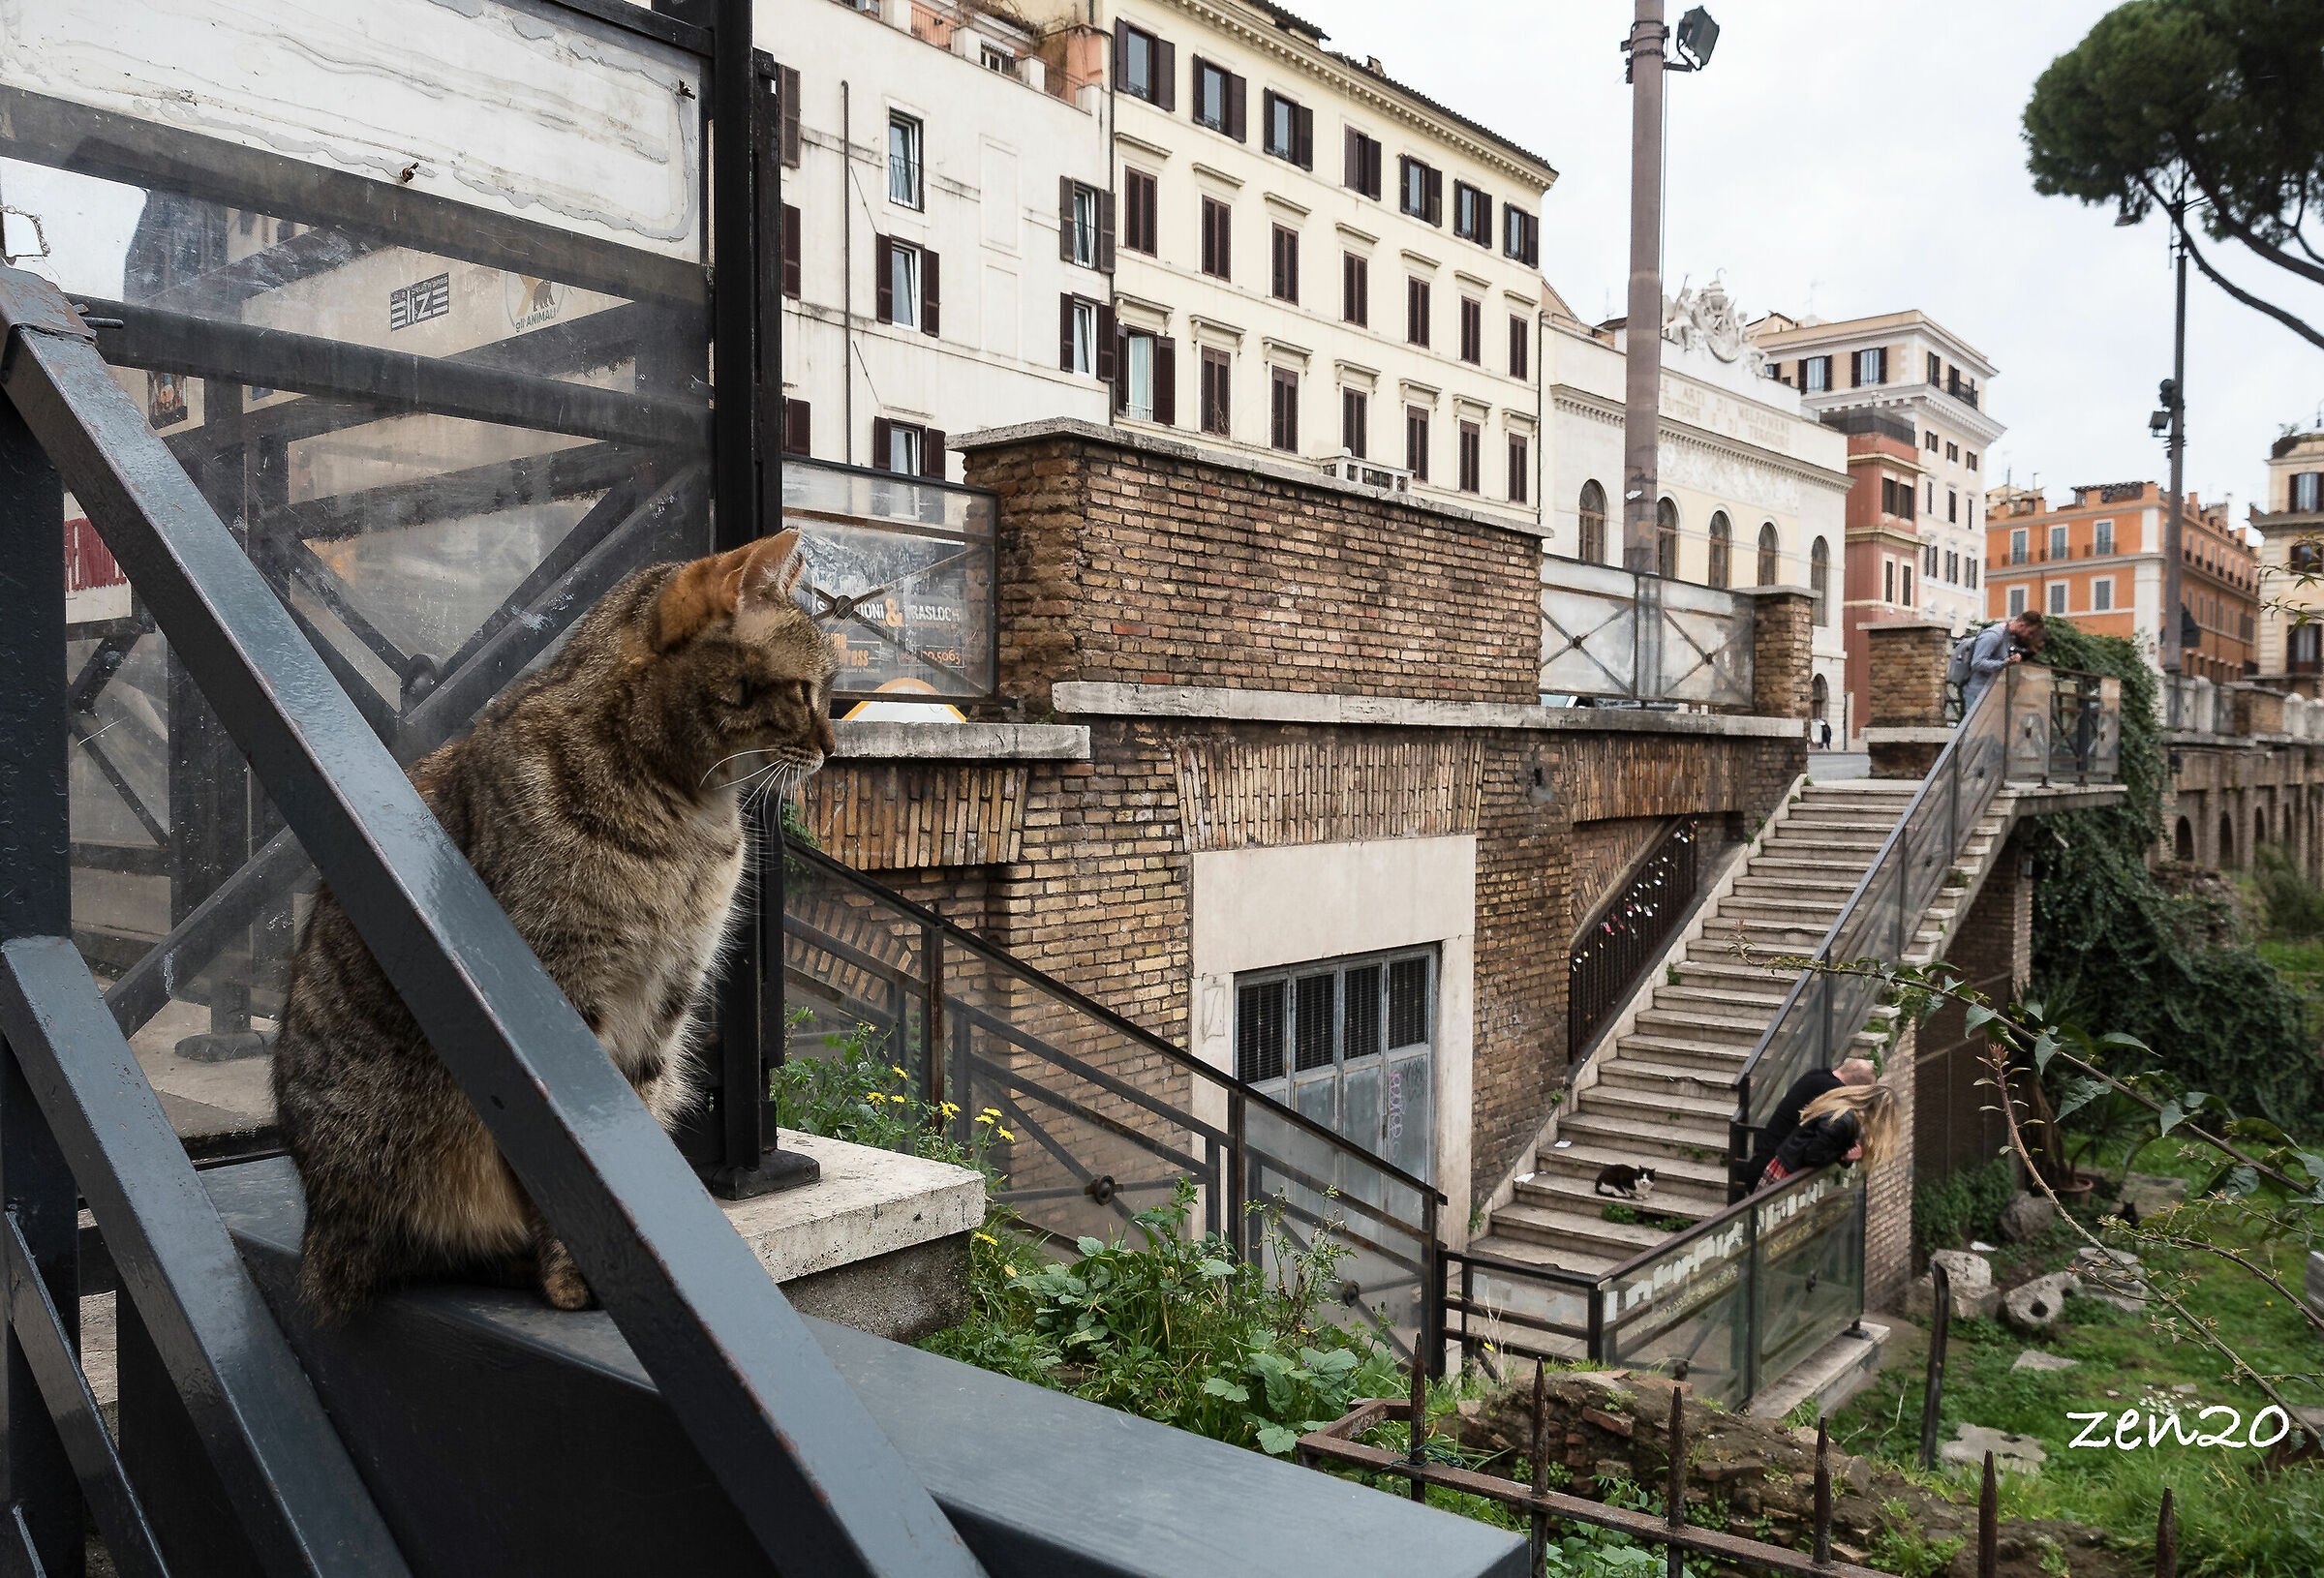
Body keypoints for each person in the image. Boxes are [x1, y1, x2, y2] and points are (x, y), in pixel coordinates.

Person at [1758, 1082, 1899, 1190]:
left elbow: (1823, 1148)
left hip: (1788, 1169)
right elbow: (1813, 1156)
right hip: (1789, 1175)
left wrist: (1844, 1157)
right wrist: (1844, 1156)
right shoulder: (1842, 1121)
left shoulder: (1843, 1112)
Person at [1750, 1058, 1875, 1178]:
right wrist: (1843, 1156)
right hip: (1777, 1171)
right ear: (1858, 1091)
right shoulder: (1835, 1094)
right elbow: (1819, 1151)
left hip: (1765, 1159)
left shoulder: (1815, 1076)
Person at [1959, 610, 2046, 718]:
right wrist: (2005, 663)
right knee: (1974, 733)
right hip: (1978, 693)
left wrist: (2013, 659)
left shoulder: (2006, 637)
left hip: (1988, 693)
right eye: (2030, 633)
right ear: (2022, 625)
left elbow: (1998, 659)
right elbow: (1977, 663)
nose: (2029, 637)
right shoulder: (1993, 635)